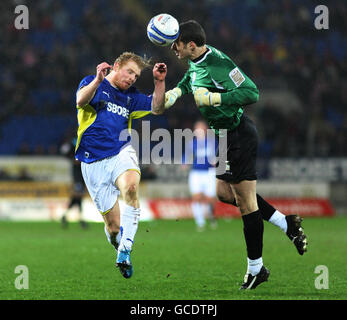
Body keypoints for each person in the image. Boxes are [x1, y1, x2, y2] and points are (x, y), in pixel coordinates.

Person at [164, 20, 308, 289]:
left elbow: (251, 92)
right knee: (223, 194)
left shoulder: (220, 63)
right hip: (221, 137)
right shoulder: (196, 61)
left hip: (237, 134)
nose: (173, 47)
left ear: (191, 45)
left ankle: (256, 269)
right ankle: (286, 223)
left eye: (177, 43)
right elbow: (191, 79)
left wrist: (215, 99)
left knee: (246, 204)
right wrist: (175, 92)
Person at [75, 52, 167, 279]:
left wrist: (159, 81)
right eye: (130, 72)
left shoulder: (131, 97)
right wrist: (97, 79)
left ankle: (125, 250)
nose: (132, 79)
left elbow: (156, 107)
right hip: (92, 160)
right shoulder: (92, 83)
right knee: (114, 228)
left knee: (131, 188)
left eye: (136, 76)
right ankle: (120, 244)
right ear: (116, 66)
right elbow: (80, 101)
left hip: (120, 151)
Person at [184, 120, 217, 231]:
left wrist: (216, 161)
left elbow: (218, 156)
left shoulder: (212, 142)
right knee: (197, 197)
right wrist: (184, 163)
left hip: (209, 173)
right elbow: (186, 157)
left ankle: (211, 216)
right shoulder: (191, 144)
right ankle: (200, 222)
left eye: (201, 129)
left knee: (210, 198)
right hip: (196, 173)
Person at [60, 136, 88, 229]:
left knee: (77, 198)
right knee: (78, 197)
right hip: (78, 176)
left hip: (82, 175)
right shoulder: (74, 142)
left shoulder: (82, 142)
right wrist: (73, 159)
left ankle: (65, 217)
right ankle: (81, 220)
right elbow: (64, 151)